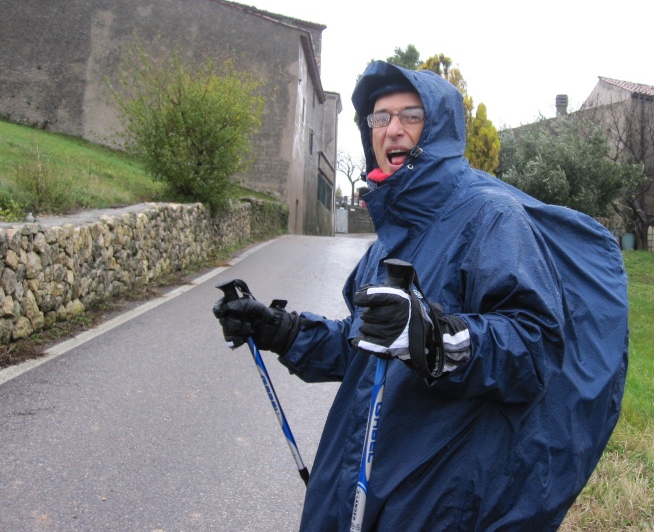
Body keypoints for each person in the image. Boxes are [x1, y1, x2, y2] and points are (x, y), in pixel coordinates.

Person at [213, 61, 629, 531]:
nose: (392, 129)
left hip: (432, 495)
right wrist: (283, 332)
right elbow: (366, 345)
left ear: (439, 129)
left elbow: (534, 346)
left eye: (410, 116)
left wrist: (434, 337)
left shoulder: (490, 217)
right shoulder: (390, 236)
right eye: (379, 117)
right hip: (357, 477)